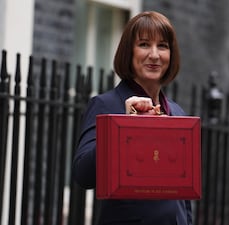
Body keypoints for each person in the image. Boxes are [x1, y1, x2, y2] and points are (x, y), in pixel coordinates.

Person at [72, 11, 193, 225]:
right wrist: (124, 125)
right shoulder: (106, 104)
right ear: (129, 52)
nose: (155, 55)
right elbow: (83, 175)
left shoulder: (177, 112)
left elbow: (183, 197)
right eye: (144, 44)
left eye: (163, 46)